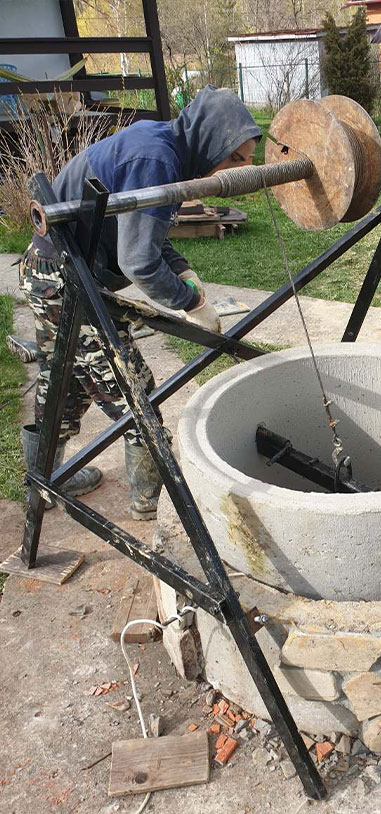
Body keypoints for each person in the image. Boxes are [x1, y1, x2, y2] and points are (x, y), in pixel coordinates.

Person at [19, 86, 261, 520]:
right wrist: (189, 302)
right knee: (133, 390)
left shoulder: (166, 149)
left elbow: (149, 229)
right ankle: (151, 500)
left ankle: (48, 478)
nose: (238, 171)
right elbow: (139, 262)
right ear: (211, 143)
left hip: (60, 270)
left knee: (67, 383)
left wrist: (184, 270)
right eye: (236, 158)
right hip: (61, 276)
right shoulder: (156, 159)